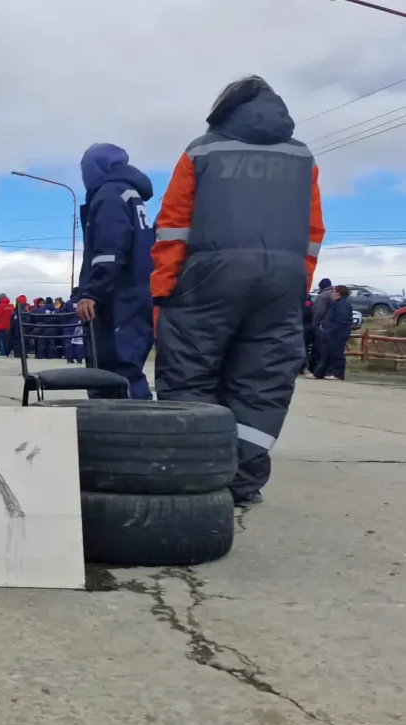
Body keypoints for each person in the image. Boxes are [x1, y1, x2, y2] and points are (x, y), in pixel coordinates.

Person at [151, 75, 325, 506]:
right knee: (262, 382)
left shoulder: (202, 150)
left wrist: (164, 291)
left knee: (189, 375)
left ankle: (195, 475)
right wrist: (295, 283)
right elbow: (313, 231)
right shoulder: (301, 156)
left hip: (207, 277)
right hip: (281, 282)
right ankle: (243, 482)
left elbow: (173, 226)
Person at [73, 143, 155, 399]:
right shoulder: (130, 193)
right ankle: (130, 428)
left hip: (117, 298)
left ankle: (124, 430)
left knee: (113, 372)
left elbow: (109, 250)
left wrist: (92, 293)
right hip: (136, 294)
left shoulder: (110, 195)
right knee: (127, 367)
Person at [313, 286, 353, 381]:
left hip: (338, 333)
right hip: (331, 333)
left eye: (333, 292)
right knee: (327, 353)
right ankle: (320, 373)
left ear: (338, 294)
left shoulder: (343, 304)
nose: (331, 294)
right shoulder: (337, 304)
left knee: (337, 353)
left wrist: (330, 329)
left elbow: (342, 320)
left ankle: (337, 373)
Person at [308, 278, 334, 375]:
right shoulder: (334, 294)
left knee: (318, 348)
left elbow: (319, 311)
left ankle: (316, 370)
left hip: (321, 325)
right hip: (331, 326)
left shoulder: (322, 296)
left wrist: (315, 324)